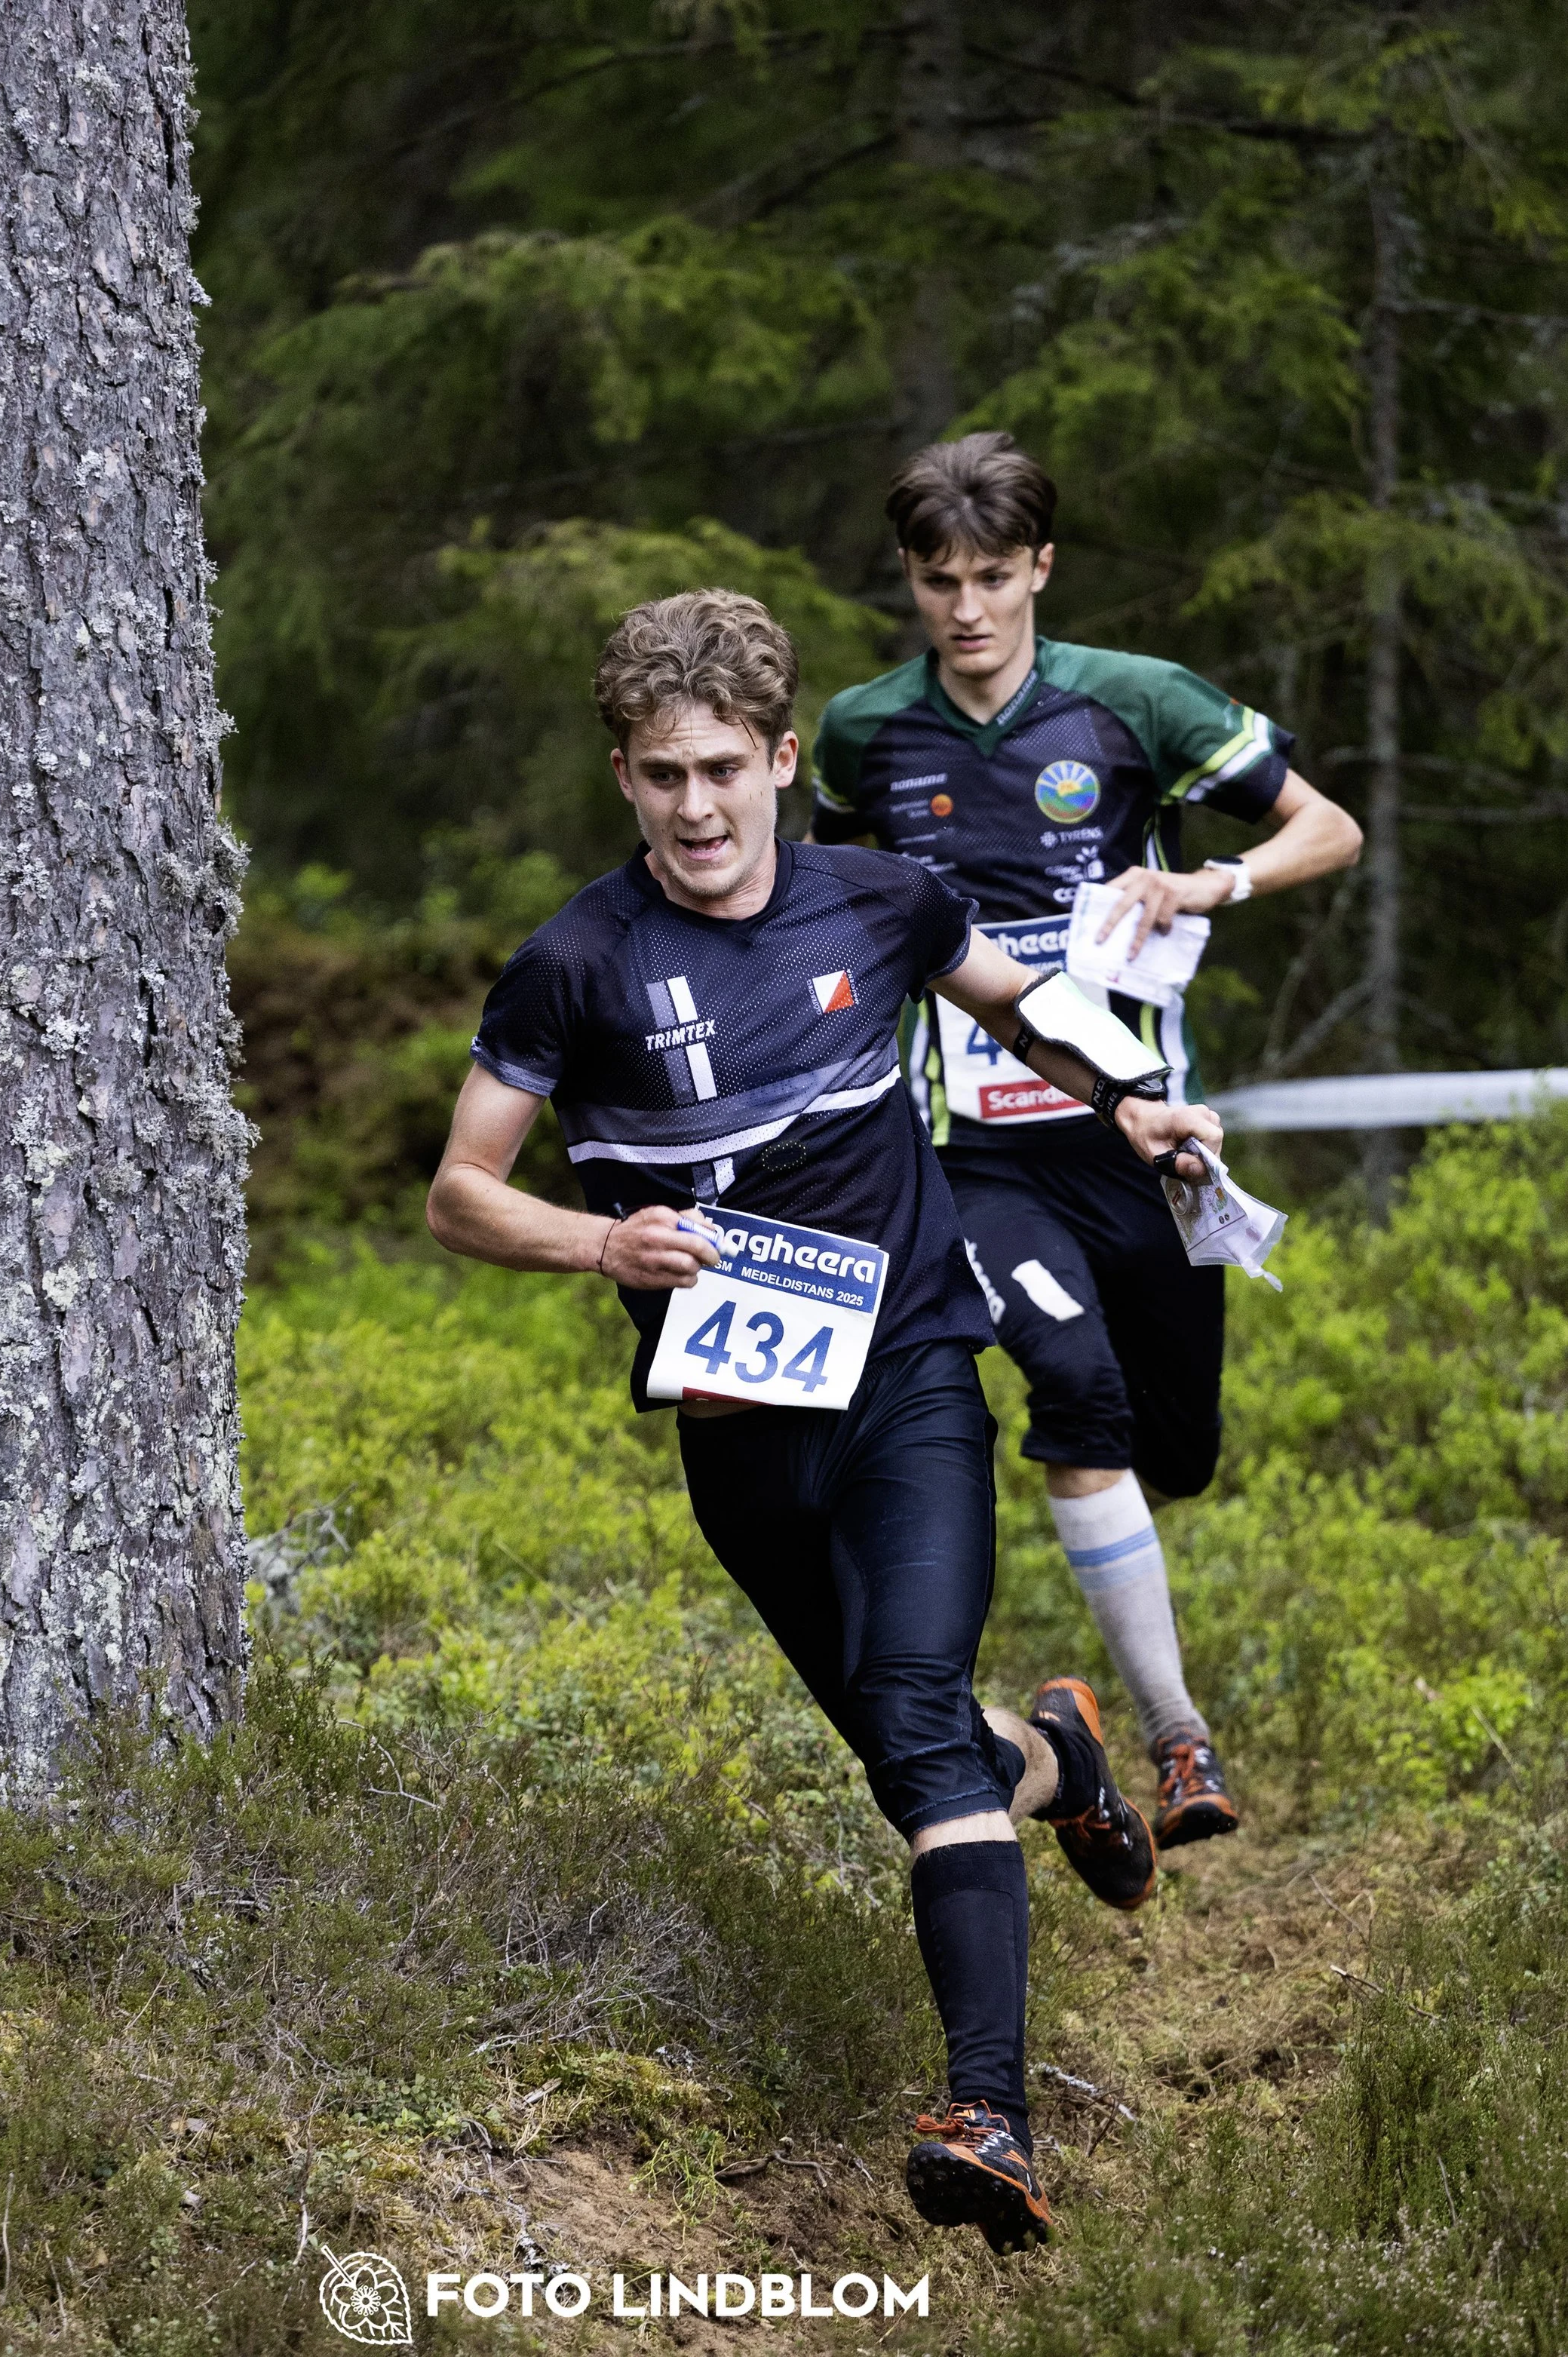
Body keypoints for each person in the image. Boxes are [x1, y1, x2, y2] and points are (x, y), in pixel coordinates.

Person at [427, 590, 1226, 2252]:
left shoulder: (879, 894)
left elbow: (1015, 999)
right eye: (660, 776)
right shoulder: (575, 963)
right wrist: (603, 1241)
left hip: (913, 1372)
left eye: (724, 767)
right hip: (731, 1426)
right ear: (625, 778)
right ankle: (1063, 1752)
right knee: (907, 1755)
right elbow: (458, 1192)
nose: (696, 807)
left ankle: (985, 2111)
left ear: (785, 760)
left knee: (915, 1709)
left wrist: (1129, 1095)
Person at [809, 432, 1364, 1848]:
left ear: (1042, 569)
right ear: (911, 582)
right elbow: (816, 900)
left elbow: (1332, 831)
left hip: (1144, 1141)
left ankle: (1091, 1711)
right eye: (941, 582)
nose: (970, 611)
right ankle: (1181, 1745)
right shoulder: (867, 733)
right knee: (1073, 1398)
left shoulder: (1135, 705)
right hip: (976, 1157)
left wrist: (1207, 880)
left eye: (996, 577)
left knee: (1175, 1448)